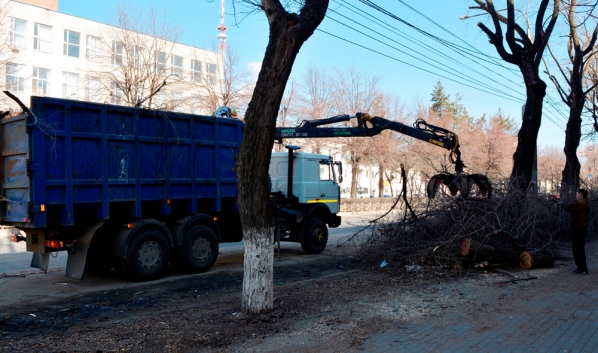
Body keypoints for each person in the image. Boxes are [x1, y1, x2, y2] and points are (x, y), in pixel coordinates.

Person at [562, 189, 590, 274]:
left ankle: (581, 269)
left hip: (578, 229)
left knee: (577, 250)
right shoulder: (585, 203)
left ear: (581, 194)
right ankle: (583, 268)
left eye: (577, 194)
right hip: (582, 229)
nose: (576, 195)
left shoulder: (581, 204)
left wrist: (562, 204)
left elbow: (570, 207)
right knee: (580, 249)